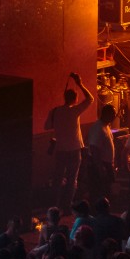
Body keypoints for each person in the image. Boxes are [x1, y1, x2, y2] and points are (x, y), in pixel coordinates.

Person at [42, 71, 92, 206]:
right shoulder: (74, 111)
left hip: (60, 149)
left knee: (58, 178)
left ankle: (54, 205)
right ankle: (67, 206)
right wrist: (80, 84)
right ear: (75, 98)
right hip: (74, 149)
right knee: (72, 179)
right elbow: (90, 99)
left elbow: (46, 126)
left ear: (64, 97)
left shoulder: (55, 111)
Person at [82, 102, 117, 200]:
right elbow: (94, 148)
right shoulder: (98, 128)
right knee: (99, 191)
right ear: (106, 114)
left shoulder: (106, 126)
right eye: (113, 114)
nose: (114, 116)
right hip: (99, 164)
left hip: (105, 164)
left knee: (106, 190)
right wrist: (100, 167)